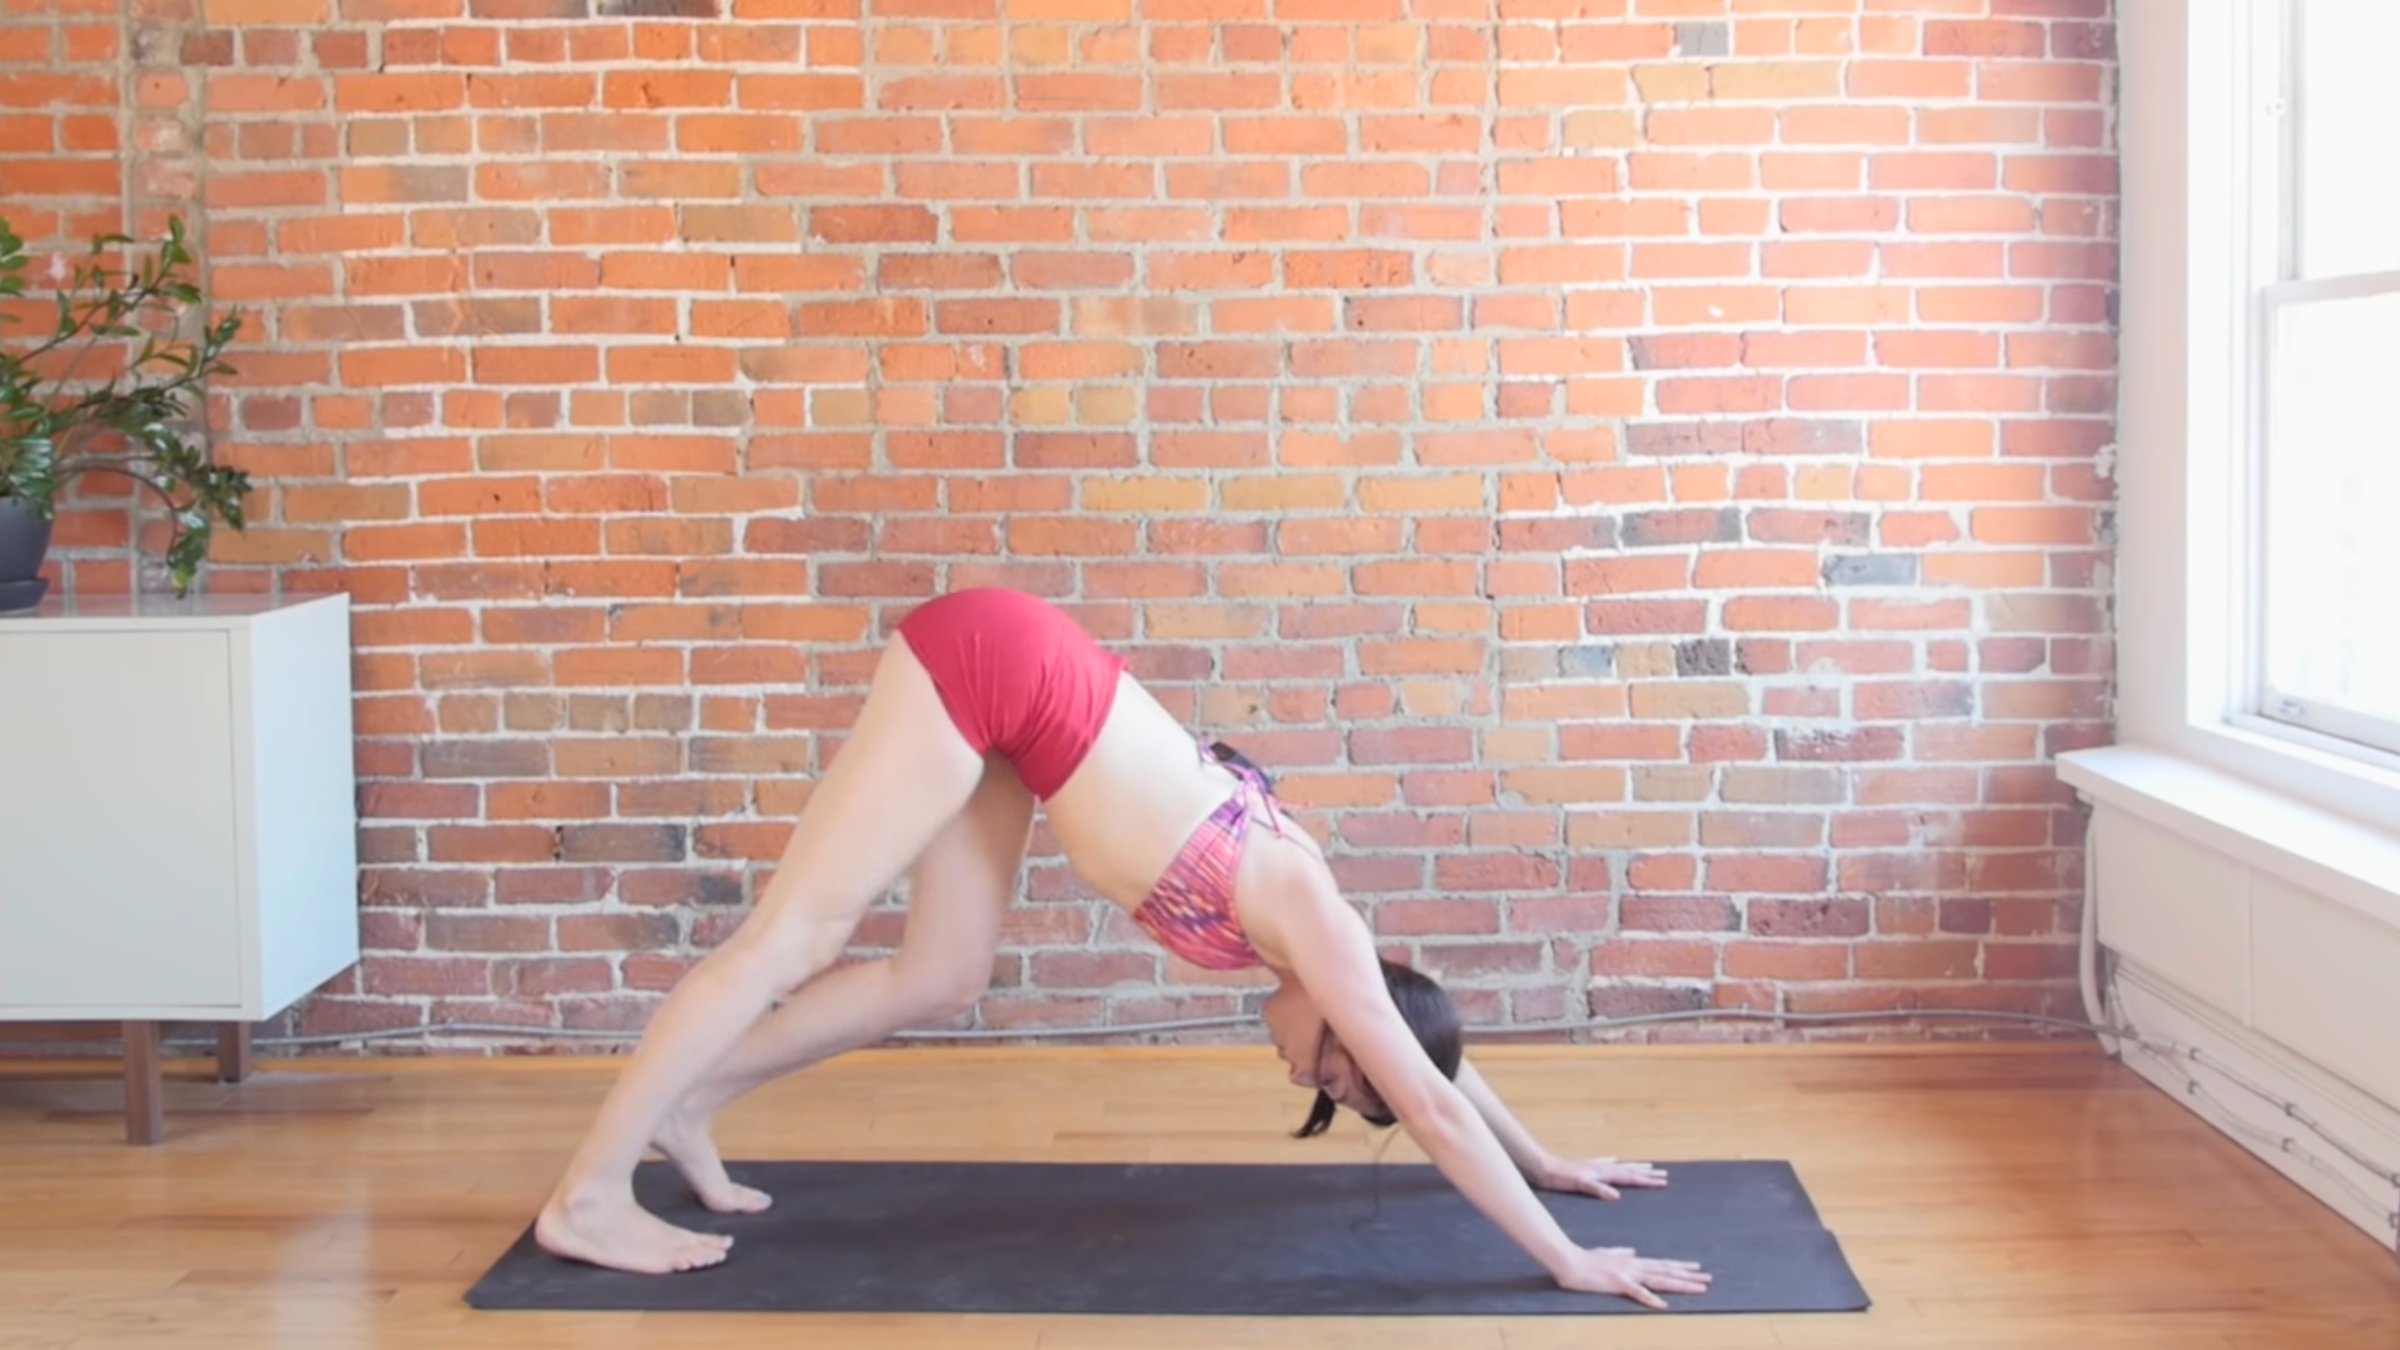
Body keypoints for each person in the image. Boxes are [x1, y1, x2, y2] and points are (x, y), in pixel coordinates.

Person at [534, 587, 1712, 1309]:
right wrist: (1566, 1256)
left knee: (941, 973)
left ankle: (691, 1103)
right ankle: (588, 1196)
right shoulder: (1313, 917)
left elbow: (1430, 1064)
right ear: (1358, 1027)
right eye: (1331, 1071)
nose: (1302, 1074)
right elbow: (1432, 1103)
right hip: (993, 663)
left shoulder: (1322, 955)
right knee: (795, 936)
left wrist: (1545, 1158)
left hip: (1015, 726)